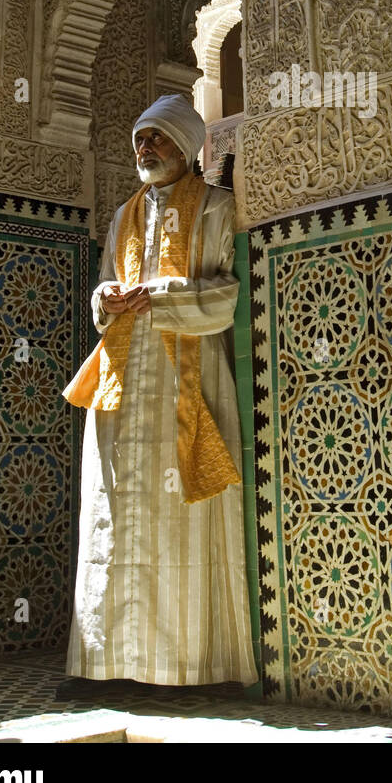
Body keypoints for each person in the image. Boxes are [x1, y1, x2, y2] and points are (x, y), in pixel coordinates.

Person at [57, 94, 258, 699]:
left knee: (182, 520)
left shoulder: (218, 209)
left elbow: (226, 297)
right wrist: (106, 301)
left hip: (187, 383)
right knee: (112, 517)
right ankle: (106, 665)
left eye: (159, 139)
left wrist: (166, 296)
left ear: (189, 147)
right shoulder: (121, 217)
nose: (145, 149)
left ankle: (187, 668)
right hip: (121, 389)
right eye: (140, 138)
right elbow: (102, 295)